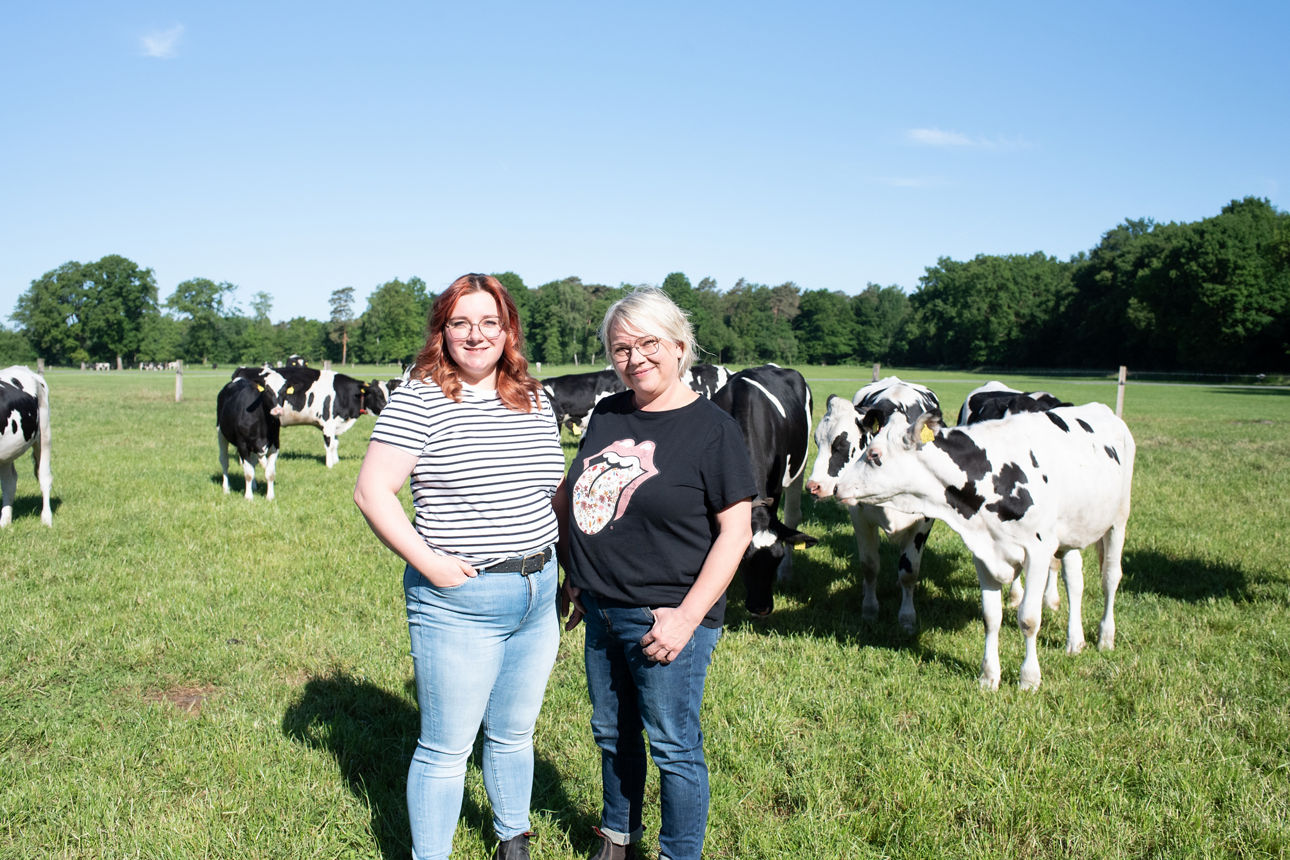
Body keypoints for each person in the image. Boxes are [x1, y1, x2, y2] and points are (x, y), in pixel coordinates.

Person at [354, 273, 564, 860]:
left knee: (515, 734)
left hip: (539, 589)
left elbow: (555, 492)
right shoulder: (421, 397)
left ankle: (511, 842)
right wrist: (429, 563)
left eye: (489, 322)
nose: (476, 335)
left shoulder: (535, 398)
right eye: (461, 323)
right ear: (442, 332)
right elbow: (373, 491)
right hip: (459, 600)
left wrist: (566, 571)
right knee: (446, 749)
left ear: (509, 330)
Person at [556, 287, 755, 860]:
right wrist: (575, 574)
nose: (635, 358)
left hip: (663, 617)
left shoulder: (713, 430)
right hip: (598, 606)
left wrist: (686, 619)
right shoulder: (607, 413)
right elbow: (580, 495)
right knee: (612, 734)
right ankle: (618, 839)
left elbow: (735, 533)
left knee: (672, 745)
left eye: (648, 343)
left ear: (679, 345)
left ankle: (678, 854)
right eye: (621, 348)